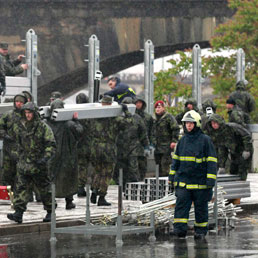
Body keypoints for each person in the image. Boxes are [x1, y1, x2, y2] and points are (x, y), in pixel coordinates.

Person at [169, 110, 217, 239]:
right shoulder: (182, 140)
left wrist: (210, 181)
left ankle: (200, 231)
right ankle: (179, 230)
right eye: (186, 123)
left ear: (197, 124)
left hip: (200, 183)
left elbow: (212, 162)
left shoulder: (205, 140)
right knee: (180, 207)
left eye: (191, 123)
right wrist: (171, 177)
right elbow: (176, 160)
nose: (188, 126)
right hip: (183, 182)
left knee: (201, 209)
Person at [7, 102, 56, 223]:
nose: (28, 115)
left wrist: (45, 158)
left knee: (44, 189)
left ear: (35, 113)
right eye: (26, 113)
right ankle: (18, 212)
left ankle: (51, 211)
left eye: (30, 113)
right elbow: (16, 142)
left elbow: (51, 144)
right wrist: (16, 156)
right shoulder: (20, 126)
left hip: (39, 164)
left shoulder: (43, 127)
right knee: (21, 188)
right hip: (24, 164)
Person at [89, 95, 133, 206]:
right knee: (107, 173)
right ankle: (102, 197)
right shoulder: (115, 118)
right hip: (108, 148)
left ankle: (94, 190)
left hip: (95, 147)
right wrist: (126, 111)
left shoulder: (95, 117)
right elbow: (129, 123)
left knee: (98, 170)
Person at [46, 99, 83, 209]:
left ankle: (51, 201)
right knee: (68, 177)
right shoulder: (69, 124)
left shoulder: (48, 123)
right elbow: (80, 132)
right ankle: (69, 201)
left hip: (52, 155)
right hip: (68, 155)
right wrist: (76, 121)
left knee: (51, 177)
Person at [113, 97, 149, 188]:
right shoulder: (117, 118)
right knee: (120, 170)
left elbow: (143, 132)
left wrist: (146, 146)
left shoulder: (137, 118)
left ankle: (134, 187)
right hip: (120, 148)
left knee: (133, 170)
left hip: (134, 148)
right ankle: (123, 186)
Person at [207, 114, 253, 181]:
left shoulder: (232, 127)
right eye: (212, 124)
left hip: (243, 150)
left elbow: (246, 136)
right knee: (233, 171)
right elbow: (222, 150)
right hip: (234, 152)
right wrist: (221, 166)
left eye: (215, 123)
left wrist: (247, 149)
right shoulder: (218, 134)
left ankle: (241, 186)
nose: (214, 125)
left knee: (241, 172)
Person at [0, 93, 28, 192]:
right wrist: (6, 136)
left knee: (21, 174)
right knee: (6, 173)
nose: (19, 104)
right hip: (8, 149)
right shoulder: (7, 115)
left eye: (21, 102)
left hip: (22, 150)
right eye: (17, 102)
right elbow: (1, 128)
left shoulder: (27, 115)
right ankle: (5, 195)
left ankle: (22, 195)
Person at [152, 100, 179, 177]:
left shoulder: (168, 117)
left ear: (163, 108)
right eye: (156, 108)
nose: (158, 109)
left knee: (165, 164)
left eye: (159, 107)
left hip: (166, 145)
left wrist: (174, 141)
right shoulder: (154, 119)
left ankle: (167, 179)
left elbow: (175, 128)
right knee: (158, 164)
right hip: (157, 146)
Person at [134, 95, 154, 180]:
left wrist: (150, 144)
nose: (138, 104)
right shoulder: (131, 116)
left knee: (142, 166)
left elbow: (152, 131)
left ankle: (141, 181)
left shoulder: (148, 117)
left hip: (143, 145)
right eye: (136, 103)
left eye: (140, 103)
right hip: (133, 146)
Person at [75, 93, 91, 197]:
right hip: (90, 145)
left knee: (81, 167)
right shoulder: (90, 113)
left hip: (79, 145)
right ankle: (95, 188)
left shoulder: (75, 114)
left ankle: (80, 187)